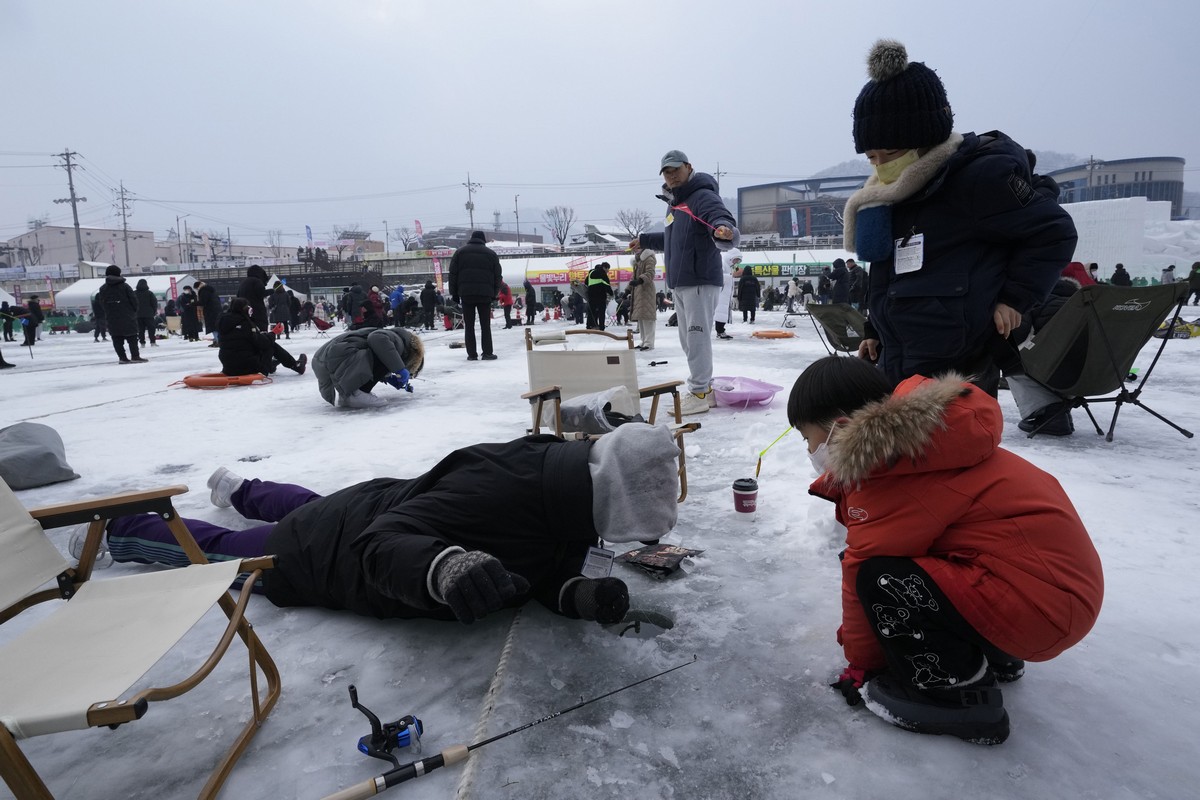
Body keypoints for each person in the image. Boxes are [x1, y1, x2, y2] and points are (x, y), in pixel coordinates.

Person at [789, 355, 1103, 745]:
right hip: (1052, 597)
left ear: (838, 429)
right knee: (920, 563)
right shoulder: (929, 445)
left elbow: (862, 574)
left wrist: (862, 663)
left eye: (807, 437)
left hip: (1040, 610)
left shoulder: (895, 478)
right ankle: (995, 653)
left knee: (881, 577)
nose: (809, 449)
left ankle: (959, 696)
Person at [85, 424, 684, 627]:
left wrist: (573, 593)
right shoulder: (497, 493)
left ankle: (241, 488)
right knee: (225, 552)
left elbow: (533, 568)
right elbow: (380, 548)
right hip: (325, 556)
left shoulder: (563, 485)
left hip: (364, 505)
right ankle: (115, 532)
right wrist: (442, 566)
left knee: (313, 505)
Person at [842, 40, 1077, 396]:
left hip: (958, 366)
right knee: (901, 452)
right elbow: (890, 273)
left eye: (889, 152)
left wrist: (1015, 298)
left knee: (954, 450)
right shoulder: (894, 191)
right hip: (900, 359)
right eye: (871, 156)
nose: (880, 166)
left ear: (925, 138)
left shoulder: (978, 180)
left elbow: (1054, 232)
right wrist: (875, 330)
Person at [630, 150, 740, 415]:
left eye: (675, 170)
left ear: (689, 167)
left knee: (697, 338)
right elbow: (672, 239)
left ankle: (700, 391)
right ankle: (706, 390)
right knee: (688, 340)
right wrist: (644, 240)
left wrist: (724, 229)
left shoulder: (702, 196)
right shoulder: (675, 203)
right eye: (667, 172)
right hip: (682, 282)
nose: (671, 176)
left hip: (699, 279)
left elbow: (720, 218)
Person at [999, 262, 1095, 436]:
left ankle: (1049, 412)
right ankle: (1058, 409)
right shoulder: (1090, 305)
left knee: (1010, 359)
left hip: (1054, 373)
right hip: (1095, 374)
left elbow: (1017, 336)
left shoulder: (1034, 301)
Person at [313, 325, 424, 409]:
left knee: (386, 355)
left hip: (324, 358)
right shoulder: (398, 341)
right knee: (385, 354)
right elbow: (376, 339)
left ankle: (347, 394)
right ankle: (357, 393)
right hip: (335, 356)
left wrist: (387, 377)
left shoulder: (395, 336)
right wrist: (399, 369)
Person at [218, 297, 306, 377]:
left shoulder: (223, 324)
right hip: (248, 368)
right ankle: (295, 365)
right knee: (271, 344)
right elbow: (262, 343)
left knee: (257, 342)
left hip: (228, 368)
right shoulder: (246, 324)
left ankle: (273, 364)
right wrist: (273, 333)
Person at [448, 230, 502, 361]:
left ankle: (472, 354)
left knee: (469, 325)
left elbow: (453, 274)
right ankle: (487, 353)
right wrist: (494, 294)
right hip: (485, 295)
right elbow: (497, 277)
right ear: (483, 240)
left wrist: (454, 294)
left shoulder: (460, 253)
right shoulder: (491, 254)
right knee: (485, 325)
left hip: (466, 294)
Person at [96, 266, 146, 363]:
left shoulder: (103, 288)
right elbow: (134, 300)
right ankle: (135, 356)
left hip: (111, 317)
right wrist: (133, 311)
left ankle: (122, 358)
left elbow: (101, 302)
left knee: (116, 338)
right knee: (132, 337)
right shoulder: (125, 286)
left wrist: (108, 311)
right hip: (127, 315)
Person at [629, 246, 658, 351]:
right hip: (638, 291)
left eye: (637, 247)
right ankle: (643, 340)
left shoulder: (648, 258)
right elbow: (633, 277)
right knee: (641, 317)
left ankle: (649, 342)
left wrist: (640, 280)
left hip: (646, 290)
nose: (635, 249)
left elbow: (650, 273)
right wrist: (628, 289)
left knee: (647, 317)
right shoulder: (638, 260)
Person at [237, 265, 271, 331]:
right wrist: (272, 291)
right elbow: (261, 293)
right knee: (261, 331)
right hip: (257, 311)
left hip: (244, 312)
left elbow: (238, 295)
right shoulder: (257, 281)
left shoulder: (243, 282)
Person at [715, 249, 739, 339]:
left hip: (726, 294)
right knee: (720, 313)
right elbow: (718, 275)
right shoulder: (722, 263)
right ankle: (720, 331)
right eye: (736, 260)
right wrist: (730, 277)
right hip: (722, 294)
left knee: (723, 313)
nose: (736, 262)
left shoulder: (730, 266)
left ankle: (721, 330)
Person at [585, 262, 614, 330]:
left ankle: (589, 326)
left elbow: (586, 282)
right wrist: (611, 293)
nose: (608, 271)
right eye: (608, 269)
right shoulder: (603, 274)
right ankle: (601, 327)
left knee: (591, 311)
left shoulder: (591, 273)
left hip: (591, 295)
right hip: (600, 296)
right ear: (604, 267)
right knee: (601, 312)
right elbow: (607, 285)